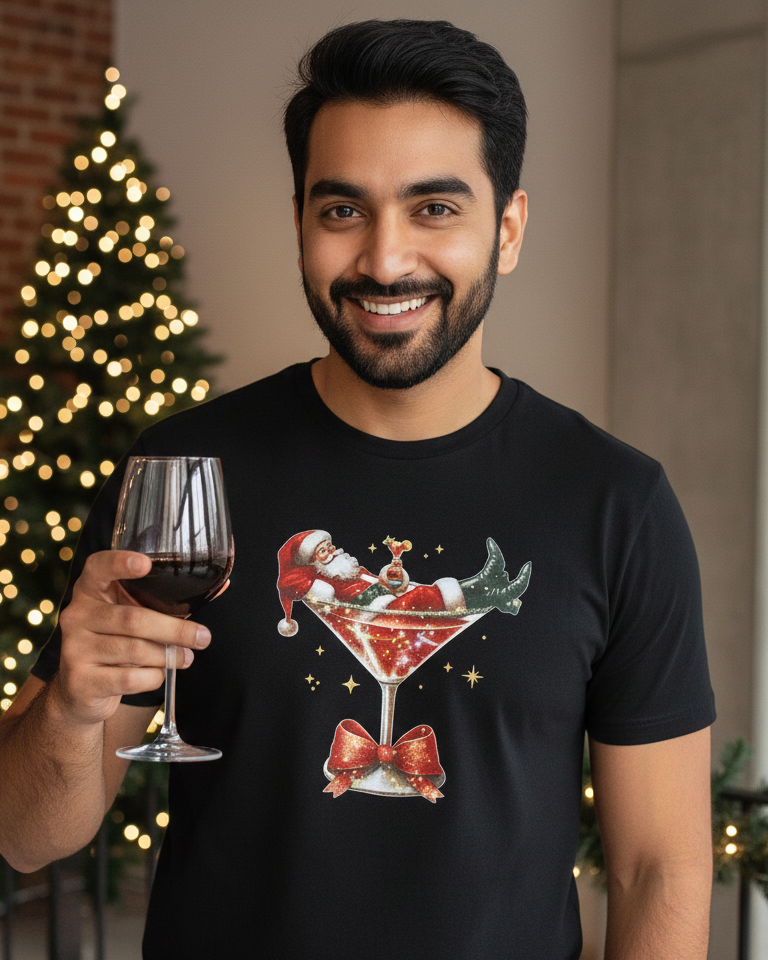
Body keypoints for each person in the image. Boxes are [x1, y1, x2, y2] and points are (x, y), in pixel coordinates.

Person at [0, 18, 715, 960]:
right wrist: (69, 711)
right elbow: (26, 836)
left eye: (435, 209)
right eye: (343, 211)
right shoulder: (184, 475)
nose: (384, 260)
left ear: (507, 229)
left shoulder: (617, 503)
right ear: (299, 221)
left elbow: (658, 868)